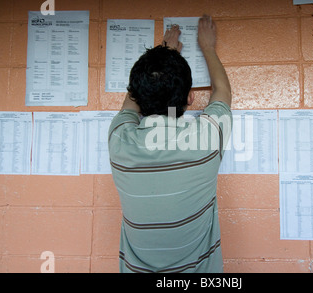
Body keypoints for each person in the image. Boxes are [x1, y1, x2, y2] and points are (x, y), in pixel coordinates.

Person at [108, 15, 232, 273]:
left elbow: (134, 95)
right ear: (190, 97)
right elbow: (222, 91)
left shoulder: (120, 141)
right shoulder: (205, 140)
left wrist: (161, 53)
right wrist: (207, 47)